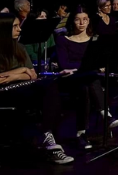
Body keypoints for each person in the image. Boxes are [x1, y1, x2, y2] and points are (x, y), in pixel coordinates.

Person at [0, 13, 74, 164]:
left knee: (51, 84)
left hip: (21, 85)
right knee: (46, 91)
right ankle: (48, 140)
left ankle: (48, 136)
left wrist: (14, 76)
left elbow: (32, 74)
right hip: (4, 92)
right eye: (14, 26)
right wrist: (19, 72)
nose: (19, 29)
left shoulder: (19, 47)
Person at [54, 6, 118, 149]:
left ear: (89, 21)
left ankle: (81, 133)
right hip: (69, 79)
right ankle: (106, 115)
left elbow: (101, 62)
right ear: (72, 22)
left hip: (87, 77)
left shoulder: (94, 39)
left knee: (86, 84)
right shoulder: (63, 40)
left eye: (85, 19)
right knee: (88, 78)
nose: (82, 23)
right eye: (78, 20)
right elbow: (64, 64)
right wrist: (86, 67)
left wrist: (83, 68)